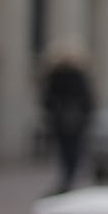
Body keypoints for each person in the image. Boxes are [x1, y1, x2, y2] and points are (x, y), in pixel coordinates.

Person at [40, 42, 95, 195]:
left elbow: (47, 99)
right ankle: (70, 176)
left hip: (59, 120)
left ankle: (67, 177)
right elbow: (88, 100)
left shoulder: (54, 75)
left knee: (64, 149)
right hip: (76, 121)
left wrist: (53, 113)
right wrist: (86, 117)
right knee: (73, 149)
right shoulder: (80, 75)